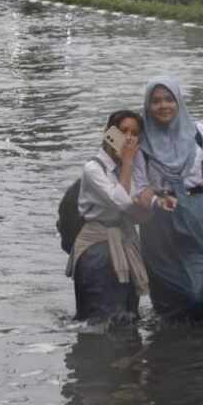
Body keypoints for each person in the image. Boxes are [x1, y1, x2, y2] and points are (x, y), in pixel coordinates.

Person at [131, 76, 203, 321]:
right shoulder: (140, 141)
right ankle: (172, 350)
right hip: (159, 220)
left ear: (179, 101)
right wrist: (157, 202)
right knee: (166, 295)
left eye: (169, 99)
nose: (163, 106)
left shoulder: (198, 133)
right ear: (147, 106)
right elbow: (139, 188)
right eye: (156, 101)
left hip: (198, 213)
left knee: (200, 283)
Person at [67, 110, 152, 324]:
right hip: (96, 249)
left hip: (125, 243)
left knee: (128, 317)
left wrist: (151, 200)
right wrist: (128, 163)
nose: (129, 138)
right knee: (99, 319)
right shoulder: (93, 168)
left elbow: (139, 214)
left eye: (135, 133)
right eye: (124, 131)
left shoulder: (133, 168)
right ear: (109, 133)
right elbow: (122, 201)